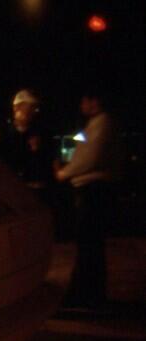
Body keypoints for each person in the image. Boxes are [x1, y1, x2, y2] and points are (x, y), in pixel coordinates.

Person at [54, 89, 125, 309]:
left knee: (88, 244)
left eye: (84, 99)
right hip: (93, 189)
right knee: (90, 245)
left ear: (94, 101)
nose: (81, 104)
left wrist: (63, 173)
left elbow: (88, 158)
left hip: (93, 190)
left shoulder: (102, 123)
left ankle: (84, 295)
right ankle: (90, 294)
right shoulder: (97, 124)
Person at [0, 89, 55, 192]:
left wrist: (37, 150)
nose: (34, 111)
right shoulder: (3, 131)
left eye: (35, 107)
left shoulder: (40, 133)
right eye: (30, 107)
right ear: (16, 107)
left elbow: (46, 164)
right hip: (8, 186)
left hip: (32, 189)